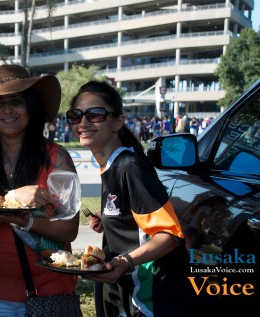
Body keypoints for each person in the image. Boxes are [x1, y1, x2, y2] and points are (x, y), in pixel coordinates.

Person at [0, 64, 80, 317]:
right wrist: (11, 199)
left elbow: (69, 229)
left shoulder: (57, 159)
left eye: (16, 101)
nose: (8, 110)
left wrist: (22, 219)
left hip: (50, 289)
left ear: (31, 108)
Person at [67, 81, 197, 317]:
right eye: (76, 115)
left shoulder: (130, 166)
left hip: (151, 298)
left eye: (95, 114)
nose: (83, 122)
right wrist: (108, 217)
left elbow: (169, 236)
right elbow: (137, 216)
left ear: (118, 121)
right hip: (130, 294)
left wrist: (125, 262)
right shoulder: (112, 164)